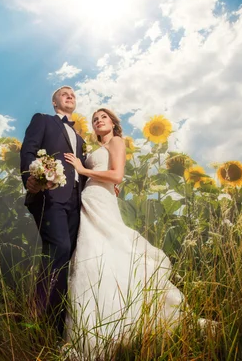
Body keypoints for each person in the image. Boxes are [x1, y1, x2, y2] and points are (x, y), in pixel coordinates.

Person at [63, 108, 191, 359]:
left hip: (101, 199)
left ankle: (120, 328)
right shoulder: (95, 147)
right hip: (90, 200)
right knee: (93, 258)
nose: (99, 121)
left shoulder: (117, 142)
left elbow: (117, 174)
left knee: (113, 250)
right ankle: (93, 328)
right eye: (95, 119)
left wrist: (83, 169)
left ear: (113, 123)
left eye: (103, 117)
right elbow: (111, 177)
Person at [19, 86, 86, 338]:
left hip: (76, 202)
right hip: (50, 193)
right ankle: (35, 316)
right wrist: (30, 178)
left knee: (66, 256)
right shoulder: (43, 120)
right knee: (57, 249)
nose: (70, 96)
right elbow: (28, 150)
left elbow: (82, 169)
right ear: (54, 102)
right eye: (64, 93)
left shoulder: (80, 137)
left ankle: (57, 326)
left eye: (73, 94)